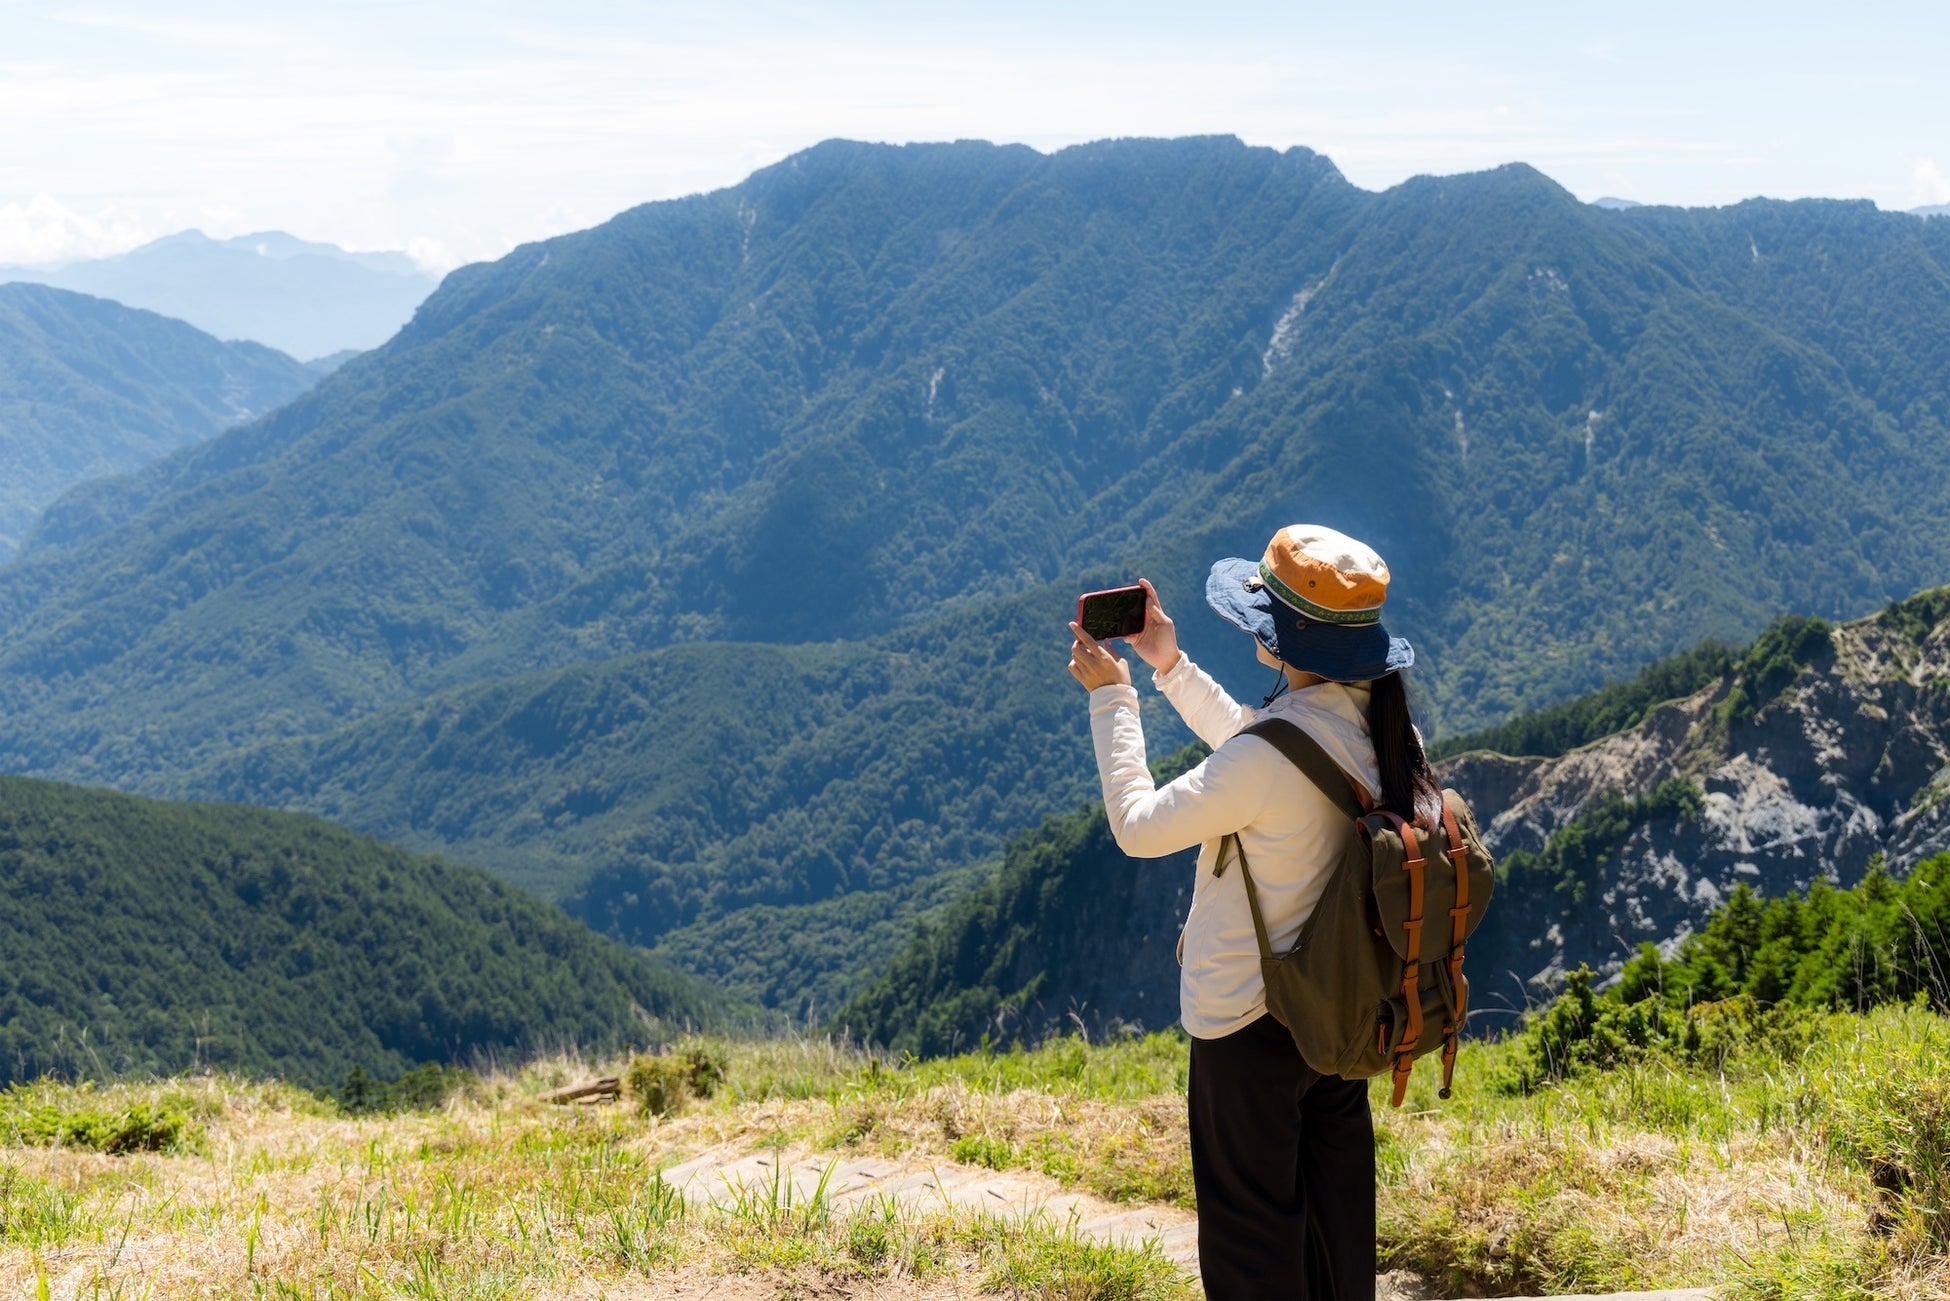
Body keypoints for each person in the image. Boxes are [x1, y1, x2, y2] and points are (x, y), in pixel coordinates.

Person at [1066, 524, 1437, 1301]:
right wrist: (1167, 662)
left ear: (1282, 635)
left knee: (1252, 1245)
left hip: (1249, 1024)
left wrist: (1114, 698)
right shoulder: (1385, 728)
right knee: (1337, 1228)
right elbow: (1268, 750)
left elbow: (1139, 824)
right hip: (1340, 1007)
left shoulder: (1272, 754)